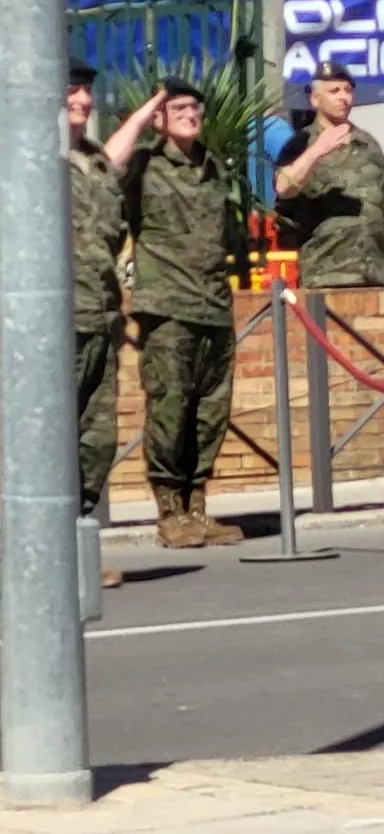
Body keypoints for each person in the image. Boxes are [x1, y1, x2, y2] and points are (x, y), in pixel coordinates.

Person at [115, 78, 243, 549]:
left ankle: (197, 507)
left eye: (195, 108)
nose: (191, 115)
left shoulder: (214, 167)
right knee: (170, 410)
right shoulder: (144, 165)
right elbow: (110, 167)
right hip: (167, 310)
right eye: (179, 108)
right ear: (160, 119)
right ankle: (170, 512)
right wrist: (148, 110)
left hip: (214, 307)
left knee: (210, 413)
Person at [69, 59, 142, 586]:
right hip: (48, 323)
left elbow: (118, 157)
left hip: (98, 314)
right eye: (71, 91)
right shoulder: (24, 158)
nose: (82, 100)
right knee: (43, 442)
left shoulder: (94, 162)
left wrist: (147, 110)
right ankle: (34, 557)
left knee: (95, 441)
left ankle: (72, 554)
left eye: (86, 92)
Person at [273, 61, 384, 288]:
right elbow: (283, 187)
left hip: (375, 274)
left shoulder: (368, 144)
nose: (343, 97)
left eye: (347, 90)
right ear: (315, 99)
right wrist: (317, 150)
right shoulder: (301, 143)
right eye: (334, 91)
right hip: (327, 275)